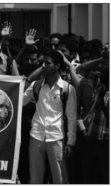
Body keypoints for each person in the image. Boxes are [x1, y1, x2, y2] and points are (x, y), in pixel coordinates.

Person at [22, 49, 77, 184]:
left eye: (47, 63)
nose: (43, 66)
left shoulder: (67, 89)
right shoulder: (36, 86)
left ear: (57, 66)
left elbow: (71, 117)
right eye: (42, 63)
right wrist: (23, 83)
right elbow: (19, 101)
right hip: (36, 135)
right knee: (35, 177)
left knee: (60, 177)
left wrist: (71, 142)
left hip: (56, 137)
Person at [75, 46, 109, 184]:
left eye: (106, 64)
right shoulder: (96, 81)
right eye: (103, 63)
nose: (102, 67)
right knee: (90, 178)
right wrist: (103, 57)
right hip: (91, 138)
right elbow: (80, 69)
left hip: (107, 141)